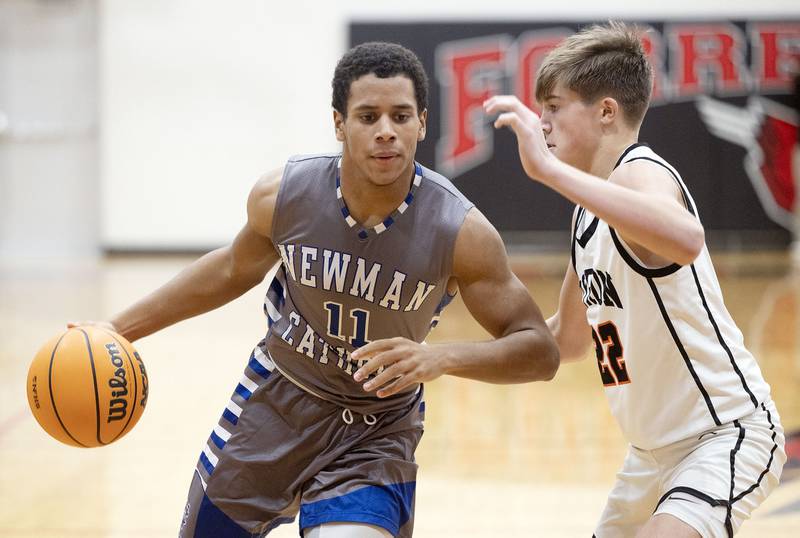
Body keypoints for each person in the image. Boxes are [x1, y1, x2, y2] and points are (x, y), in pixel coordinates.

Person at [73, 42, 559, 537]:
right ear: (339, 123)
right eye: (368, 116)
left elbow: (539, 351)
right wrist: (117, 329)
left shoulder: (462, 231)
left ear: (423, 123)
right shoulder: (284, 195)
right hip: (275, 405)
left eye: (401, 115)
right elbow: (229, 270)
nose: (386, 131)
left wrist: (442, 357)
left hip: (375, 431)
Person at [484, 21, 786, 538]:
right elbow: (567, 340)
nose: (542, 123)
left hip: (724, 436)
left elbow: (686, 237)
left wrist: (551, 173)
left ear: (606, 111)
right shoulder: (588, 213)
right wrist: (439, 355)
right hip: (649, 458)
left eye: (553, 107)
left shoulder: (640, 171)